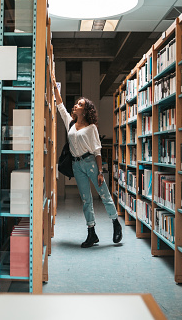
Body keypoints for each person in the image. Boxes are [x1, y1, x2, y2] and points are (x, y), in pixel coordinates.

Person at [53, 79, 122, 248]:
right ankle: (92, 233)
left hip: (90, 163)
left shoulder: (91, 128)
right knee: (86, 200)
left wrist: (100, 172)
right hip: (77, 166)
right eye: (76, 103)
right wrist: (54, 86)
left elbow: (97, 151)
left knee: (104, 195)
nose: (76, 105)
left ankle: (115, 223)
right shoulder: (70, 123)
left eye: (80, 104)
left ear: (86, 110)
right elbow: (60, 106)